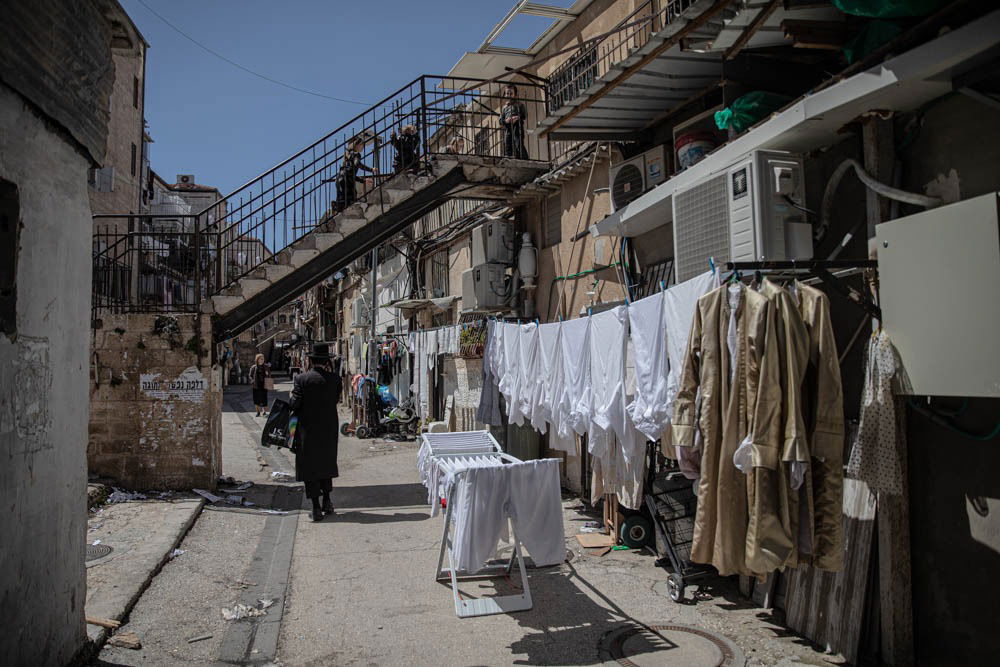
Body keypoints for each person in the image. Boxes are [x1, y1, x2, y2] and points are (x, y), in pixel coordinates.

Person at [290, 343, 343, 522]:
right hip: (328, 428)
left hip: (307, 429)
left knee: (309, 467)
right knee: (326, 464)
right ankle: (327, 501)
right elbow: (335, 400)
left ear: (310, 360)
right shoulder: (335, 379)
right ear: (326, 361)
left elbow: (294, 404)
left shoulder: (301, 379)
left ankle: (315, 507)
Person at [335, 140, 374, 211]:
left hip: (339, 177)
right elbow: (357, 165)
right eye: (362, 145)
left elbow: (351, 173)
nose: (363, 147)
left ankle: (338, 208)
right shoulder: (356, 154)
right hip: (347, 178)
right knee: (351, 197)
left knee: (343, 198)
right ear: (357, 145)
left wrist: (364, 180)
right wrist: (371, 170)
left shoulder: (348, 154)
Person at [500, 84, 528, 159]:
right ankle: (509, 158)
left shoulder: (520, 105)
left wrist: (517, 117)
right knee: (508, 143)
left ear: (515, 95)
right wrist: (506, 120)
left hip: (517, 125)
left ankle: (524, 159)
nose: (509, 95)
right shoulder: (504, 108)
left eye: (511, 93)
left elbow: (524, 115)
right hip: (508, 127)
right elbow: (501, 120)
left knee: (518, 143)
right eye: (507, 93)